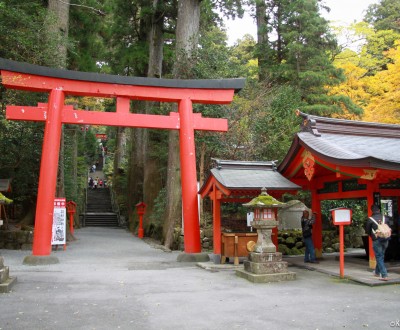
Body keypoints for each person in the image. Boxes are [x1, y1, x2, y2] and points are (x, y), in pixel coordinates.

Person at [366, 204, 389, 281]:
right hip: (385, 239)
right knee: (381, 256)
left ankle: (384, 275)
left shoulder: (370, 219)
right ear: (379, 210)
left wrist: (373, 236)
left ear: (371, 210)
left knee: (379, 257)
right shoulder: (385, 217)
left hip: (377, 240)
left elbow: (368, 231)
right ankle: (376, 272)